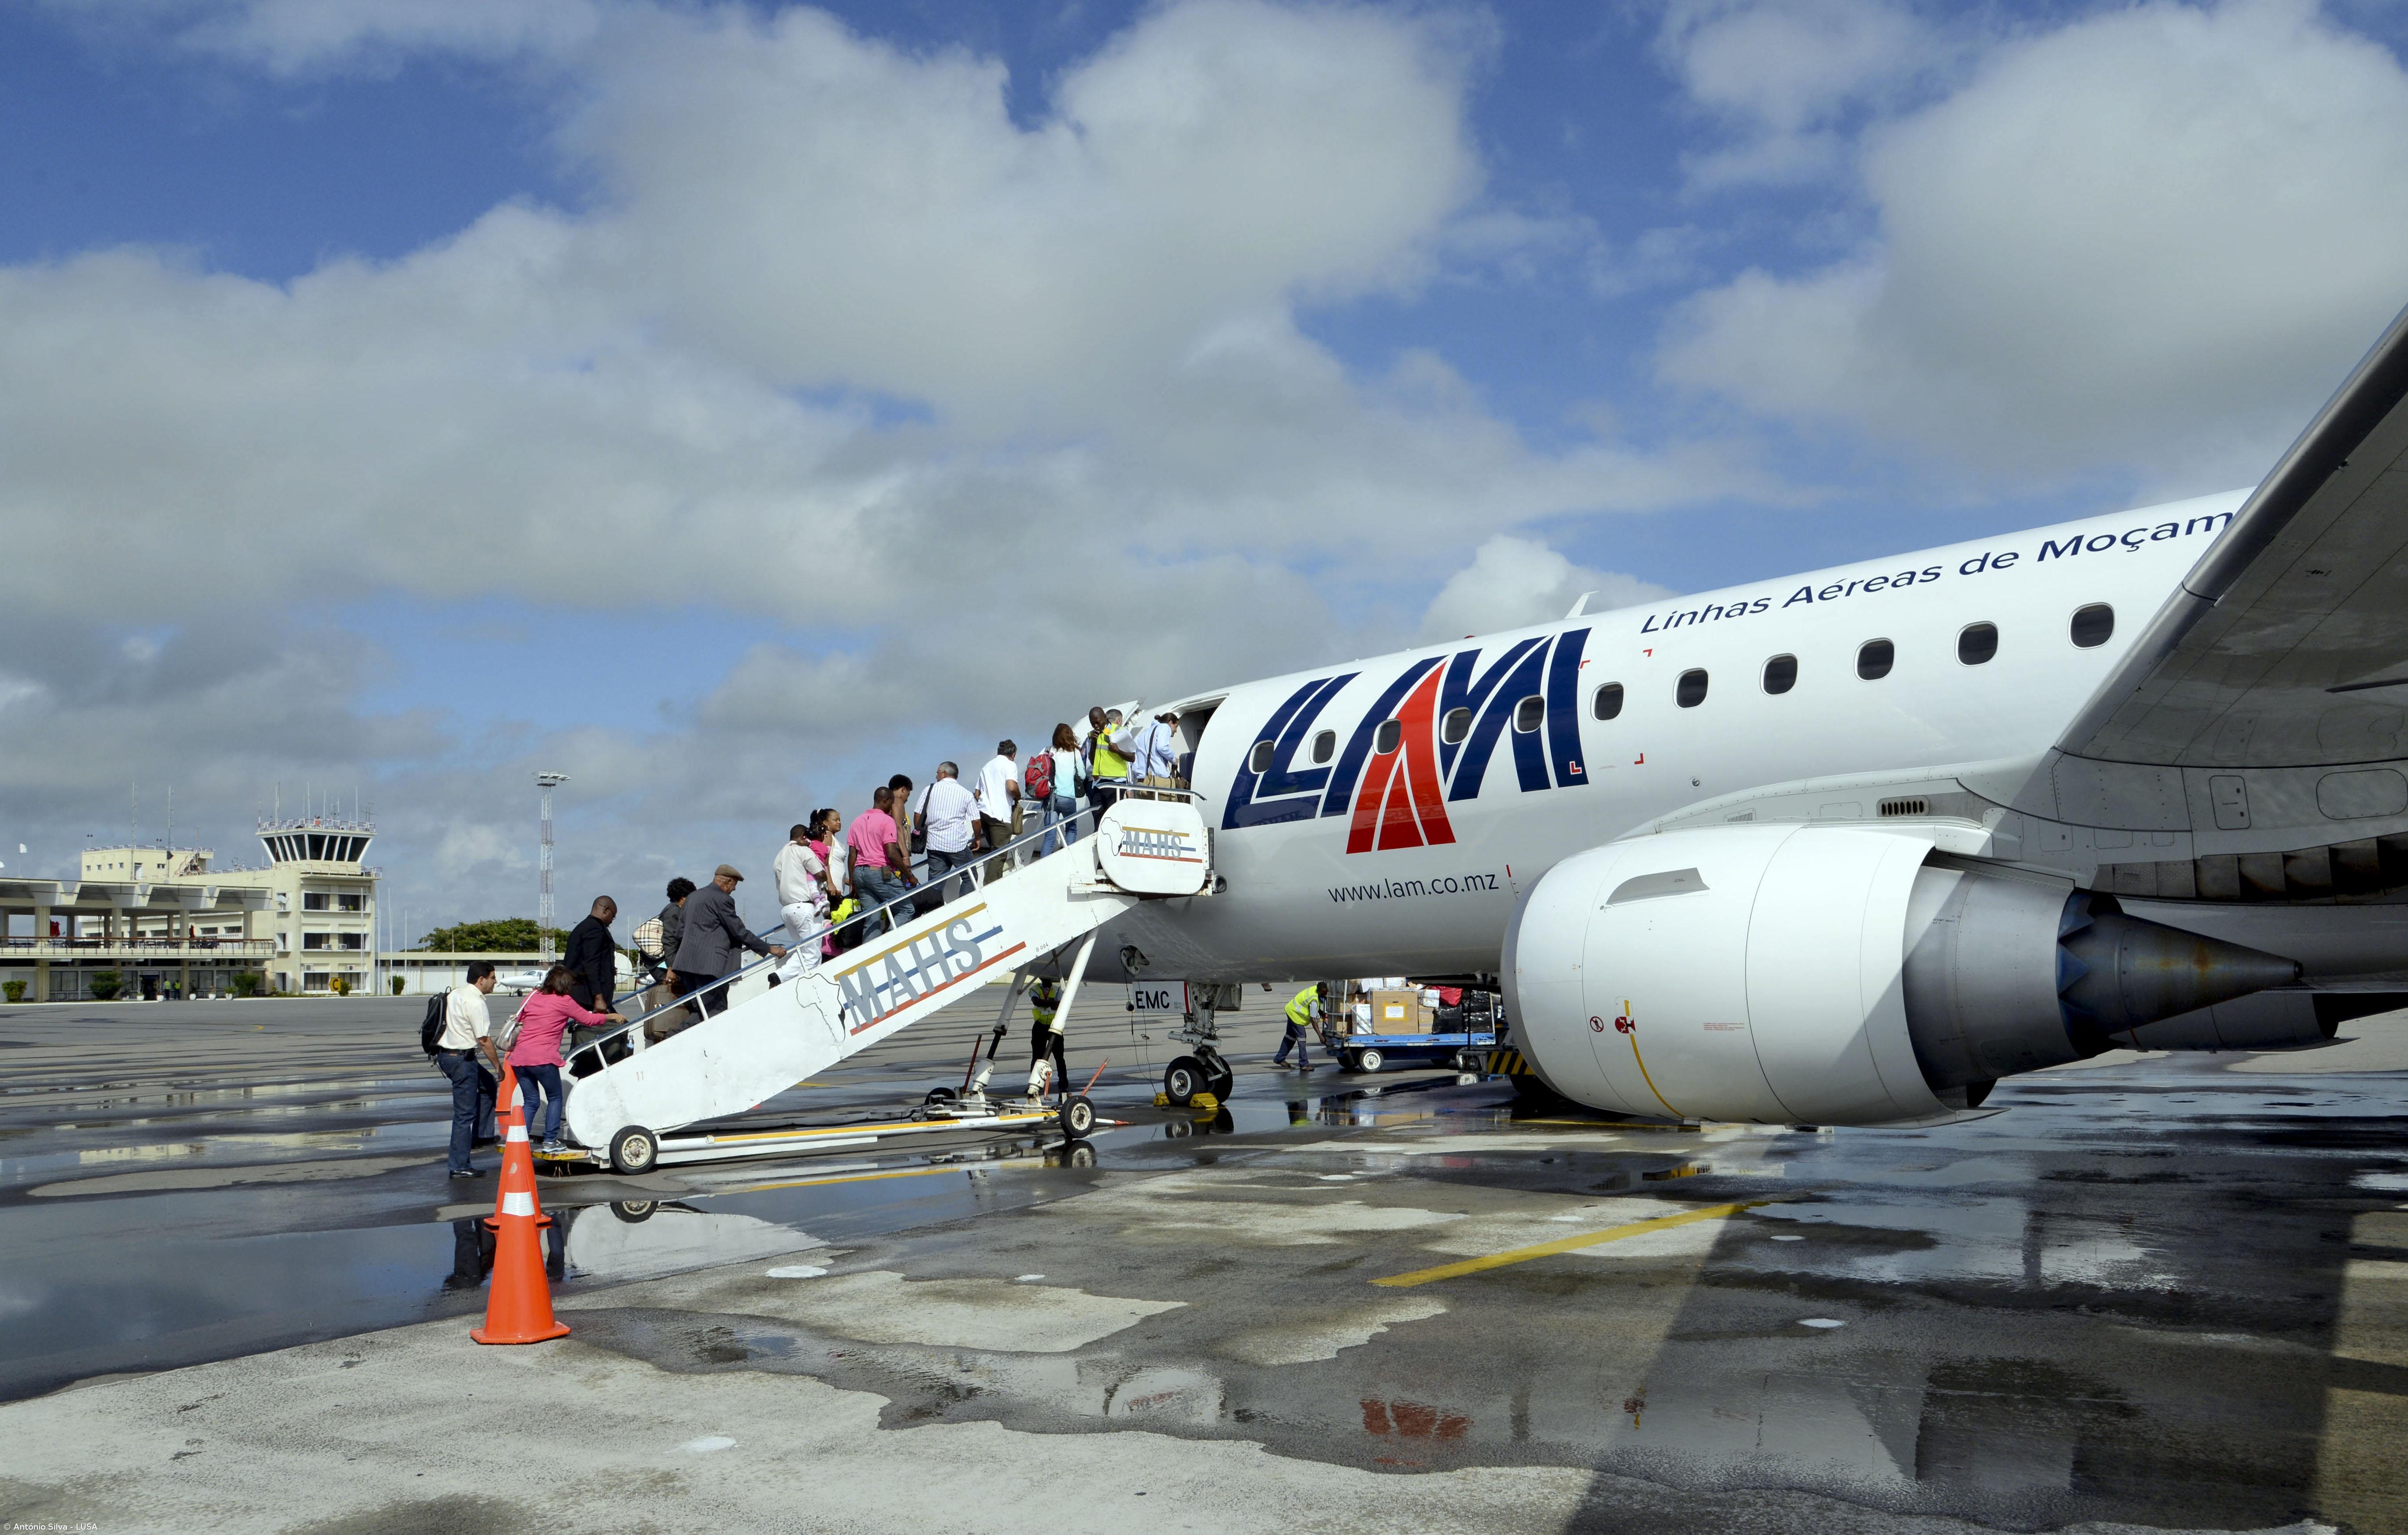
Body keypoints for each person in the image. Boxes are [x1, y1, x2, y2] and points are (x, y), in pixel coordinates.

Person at [507, 964, 624, 1154]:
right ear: (566, 984)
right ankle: (550, 1141)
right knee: (555, 1098)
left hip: (519, 1058)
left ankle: (519, 1140)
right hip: (543, 1059)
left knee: (531, 1101)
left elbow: (521, 1019)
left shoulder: (533, 996)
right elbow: (589, 1020)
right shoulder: (564, 1001)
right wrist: (612, 1017)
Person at [669, 864, 785, 1020]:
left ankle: (678, 1034)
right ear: (728, 882)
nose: (734, 890)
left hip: (687, 965)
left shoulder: (693, 897)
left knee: (700, 1012)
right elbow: (739, 931)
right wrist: (769, 948)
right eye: (735, 885)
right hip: (709, 967)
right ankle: (675, 1034)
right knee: (715, 1012)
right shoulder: (723, 899)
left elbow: (680, 933)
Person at [433, 961, 503, 1178]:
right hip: (461, 1060)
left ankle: (482, 1135)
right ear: (481, 980)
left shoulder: (455, 993)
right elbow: (484, 1040)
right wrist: (498, 1067)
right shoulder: (475, 1002)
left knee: (487, 1085)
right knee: (464, 1115)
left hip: (448, 1056)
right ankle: (459, 1165)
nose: (495, 982)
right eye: (493, 978)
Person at [847, 787, 914, 940]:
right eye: (891, 803)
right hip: (878, 872)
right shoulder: (887, 821)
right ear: (885, 801)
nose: (892, 807)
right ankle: (888, 942)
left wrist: (852, 882)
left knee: (872, 919)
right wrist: (909, 875)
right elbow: (891, 853)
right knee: (906, 909)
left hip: (859, 874)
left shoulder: (857, 821)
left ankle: (872, 950)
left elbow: (852, 855)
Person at [772, 823, 831, 984]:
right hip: (804, 906)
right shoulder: (803, 850)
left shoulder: (779, 857)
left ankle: (780, 976)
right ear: (803, 837)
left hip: (787, 910)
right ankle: (795, 981)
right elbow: (821, 875)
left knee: (804, 950)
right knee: (813, 954)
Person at [919, 763, 980, 902]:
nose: (936, 776)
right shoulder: (966, 794)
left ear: (945, 773)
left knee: (935, 884)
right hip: (957, 845)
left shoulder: (929, 790)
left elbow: (918, 815)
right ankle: (963, 905)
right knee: (970, 876)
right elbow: (976, 820)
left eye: (938, 773)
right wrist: (977, 838)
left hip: (934, 844)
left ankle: (931, 910)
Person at [649, 877, 696, 1039]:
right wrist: (672, 968)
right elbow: (669, 940)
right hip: (667, 965)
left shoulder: (670, 910)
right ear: (683, 897)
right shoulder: (674, 911)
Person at [975, 741, 1021, 883]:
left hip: (984, 814)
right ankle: (990, 888)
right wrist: (1018, 796)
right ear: (1013, 754)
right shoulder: (1010, 765)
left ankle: (996, 882)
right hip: (1000, 816)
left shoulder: (987, 766)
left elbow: (977, 794)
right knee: (999, 855)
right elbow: (1012, 787)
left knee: (994, 852)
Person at [1040, 723, 1086, 854]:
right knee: (1071, 830)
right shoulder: (1075, 753)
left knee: (1050, 836)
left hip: (1051, 798)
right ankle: (1066, 857)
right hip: (1068, 799)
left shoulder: (1049, 751)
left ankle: (1044, 863)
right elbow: (1082, 775)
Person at [806, 809, 846, 958]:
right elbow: (825, 862)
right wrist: (830, 883)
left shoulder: (832, 837)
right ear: (825, 823)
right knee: (833, 923)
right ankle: (829, 956)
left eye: (839, 819)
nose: (839, 822)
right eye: (835, 820)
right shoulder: (828, 836)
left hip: (837, 885)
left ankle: (831, 954)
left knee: (835, 922)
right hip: (831, 888)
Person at [1118, 708, 1184, 791]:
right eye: (1176, 727)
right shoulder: (1165, 727)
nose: (1176, 730)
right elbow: (1162, 747)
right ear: (1170, 723)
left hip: (1141, 781)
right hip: (1156, 780)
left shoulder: (1144, 733)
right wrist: (1173, 760)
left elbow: (1133, 756)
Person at [1025, 976, 1069, 1097]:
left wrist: (1045, 1004)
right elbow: (1036, 1002)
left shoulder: (1057, 990)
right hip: (1040, 1026)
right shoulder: (1035, 989)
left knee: (1059, 1058)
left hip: (1054, 1026)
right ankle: (1033, 1084)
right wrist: (1051, 1003)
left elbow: (1058, 1005)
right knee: (1037, 1057)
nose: (1046, 980)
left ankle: (1063, 1085)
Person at [1086, 707, 1129, 818]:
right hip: (1098, 784)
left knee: (1112, 819)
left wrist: (1118, 751)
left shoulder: (1120, 731)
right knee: (1098, 819)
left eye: (1098, 722)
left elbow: (1132, 758)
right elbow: (1092, 761)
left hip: (1115, 783)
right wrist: (1094, 743)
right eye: (1093, 724)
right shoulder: (1092, 736)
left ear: (1105, 717)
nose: (1096, 726)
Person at [1274, 981, 1322, 1071]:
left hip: (1291, 1009)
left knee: (1290, 1037)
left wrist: (1321, 1011)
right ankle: (1304, 1064)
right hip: (1296, 1015)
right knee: (1302, 1039)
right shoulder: (1314, 1001)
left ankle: (1279, 1058)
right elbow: (1313, 1020)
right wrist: (1320, 1036)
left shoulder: (1315, 989)